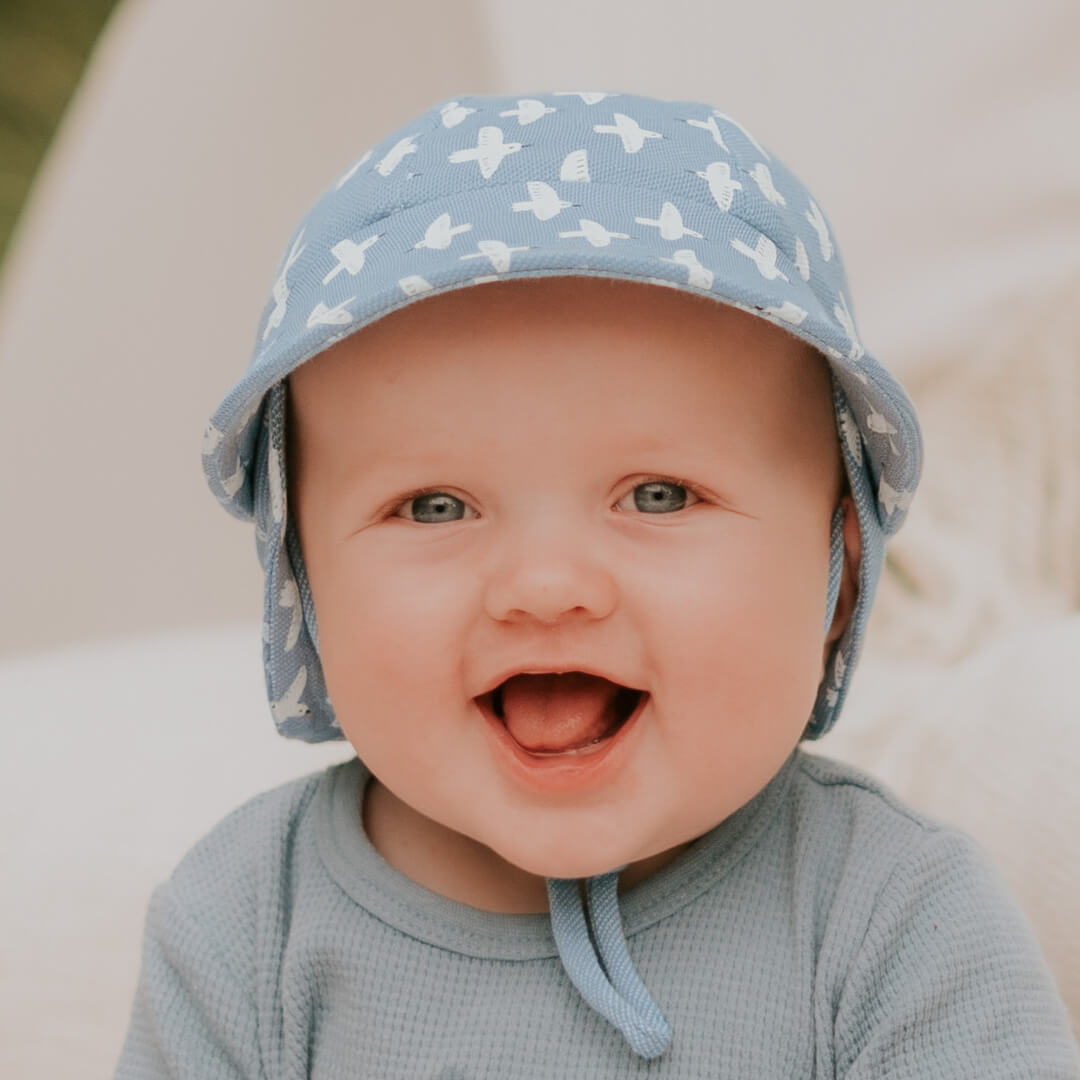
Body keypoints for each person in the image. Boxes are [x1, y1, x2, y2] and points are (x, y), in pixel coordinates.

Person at [114, 91, 1080, 1076]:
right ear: (302, 583)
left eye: (658, 495)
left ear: (841, 571)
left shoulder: (892, 916)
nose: (544, 586)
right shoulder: (243, 930)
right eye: (435, 507)